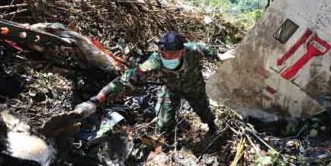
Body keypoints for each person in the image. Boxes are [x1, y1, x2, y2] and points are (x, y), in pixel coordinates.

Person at [71, 31, 233, 135]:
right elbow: (124, 81)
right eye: (163, 54)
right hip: (172, 90)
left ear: (182, 52)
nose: (166, 58)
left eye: (171, 54)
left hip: (195, 88)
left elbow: (206, 49)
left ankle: (212, 128)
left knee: (204, 112)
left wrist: (219, 56)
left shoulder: (192, 51)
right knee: (163, 124)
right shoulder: (154, 63)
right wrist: (95, 101)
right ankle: (168, 139)